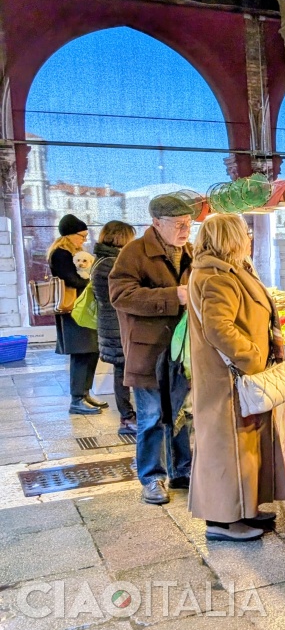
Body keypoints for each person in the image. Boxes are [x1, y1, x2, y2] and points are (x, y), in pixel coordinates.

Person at [187, 214, 285, 542]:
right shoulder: (216, 275)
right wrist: (252, 357)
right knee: (227, 449)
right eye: (243, 233)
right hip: (228, 380)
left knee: (243, 446)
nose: (249, 238)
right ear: (229, 238)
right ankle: (223, 521)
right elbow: (219, 328)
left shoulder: (228, 269)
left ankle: (243, 509)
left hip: (234, 377)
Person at [109, 194, 195, 506]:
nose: (185, 229)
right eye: (178, 224)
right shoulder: (134, 253)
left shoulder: (189, 251)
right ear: (156, 223)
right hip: (149, 351)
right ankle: (151, 477)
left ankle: (182, 470)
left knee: (180, 413)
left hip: (181, 350)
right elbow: (121, 295)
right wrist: (173, 296)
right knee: (151, 416)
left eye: (188, 223)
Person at [49, 214, 104, 415]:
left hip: (81, 309)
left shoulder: (75, 252)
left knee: (91, 350)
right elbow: (71, 279)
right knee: (81, 353)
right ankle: (77, 399)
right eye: (81, 235)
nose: (84, 239)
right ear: (69, 235)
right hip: (73, 310)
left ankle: (85, 393)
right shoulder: (61, 254)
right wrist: (93, 283)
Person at [91, 221, 137, 435]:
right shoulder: (111, 263)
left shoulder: (102, 260)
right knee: (123, 371)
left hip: (111, 325)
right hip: (116, 327)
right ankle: (127, 418)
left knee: (123, 370)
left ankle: (128, 416)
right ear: (121, 238)